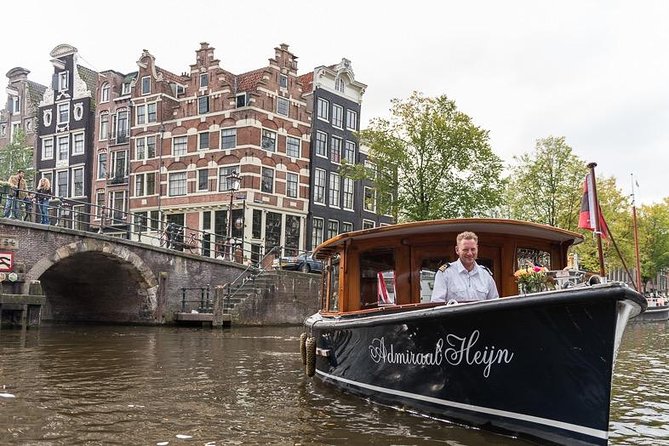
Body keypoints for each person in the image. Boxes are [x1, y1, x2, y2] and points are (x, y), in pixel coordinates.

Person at [430, 231, 499, 303]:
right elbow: (437, 303)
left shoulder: (486, 275)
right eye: (465, 250)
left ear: (477, 248)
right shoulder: (445, 274)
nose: (469, 253)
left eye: (473, 249)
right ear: (457, 250)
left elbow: (495, 303)